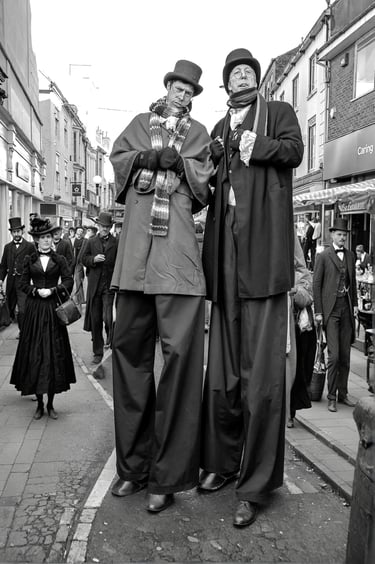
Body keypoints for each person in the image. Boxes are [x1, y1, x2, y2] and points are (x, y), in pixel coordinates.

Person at [199, 48, 304, 528]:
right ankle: (223, 463)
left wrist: (251, 144)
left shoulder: (277, 113)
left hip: (262, 262)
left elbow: (294, 151)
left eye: (248, 70)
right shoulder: (217, 127)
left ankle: (256, 484)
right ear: (225, 85)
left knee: (262, 381)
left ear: (257, 80)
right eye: (234, 71)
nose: (242, 74)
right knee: (223, 376)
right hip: (225, 265)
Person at [109, 59, 213, 513]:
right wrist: (145, 158)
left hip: (178, 264)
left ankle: (167, 478)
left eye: (191, 91)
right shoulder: (136, 124)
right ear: (167, 86)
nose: (184, 95)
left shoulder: (198, 135)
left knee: (180, 372)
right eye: (179, 87)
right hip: (134, 262)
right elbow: (118, 160)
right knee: (130, 365)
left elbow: (204, 183)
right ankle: (133, 469)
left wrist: (182, 166)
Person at [10, 217, 76, 419]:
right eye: (43, 237)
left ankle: (51, 405)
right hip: (35, 310)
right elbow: (21, 283)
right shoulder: (29, 259)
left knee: (54, 353)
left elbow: (68, 280)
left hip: (53, 309)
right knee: (36, 353)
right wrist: (36, 291)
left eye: (49, 237)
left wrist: (54, 290)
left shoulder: (59, 260)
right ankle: (39, 404)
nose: (47, 240)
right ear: (37, 240)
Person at [313, 217, 358, 412]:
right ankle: (331, 396)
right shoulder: (323, 256)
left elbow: (353, 282)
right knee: (334, 356)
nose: (342, 238)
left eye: (344, 235)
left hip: (346, 309)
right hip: (330, 311)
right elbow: (316, 285)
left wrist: (355, 304)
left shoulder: (350, 256)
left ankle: (343, 393)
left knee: (346, 355)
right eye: (339, 234)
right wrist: (318, 312)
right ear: (332, 234)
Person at [286, 236, 315, 429]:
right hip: (278, 327)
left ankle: (289, 413)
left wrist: (294, 291)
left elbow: (307, 297)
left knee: (295, 372)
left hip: (296, 330)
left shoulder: (300, 274)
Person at [81, 212, 118, 364]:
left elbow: (119, 262)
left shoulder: (116, 242)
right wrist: (93, 260)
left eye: (108, 227)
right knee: (96, 320)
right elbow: (82, 259)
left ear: (110, 227)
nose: (105, 229)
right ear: (98, 226)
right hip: (94, 287)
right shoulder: (91, 241)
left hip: (109, 286)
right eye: (103, 226)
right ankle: (97, 351)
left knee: (108, 318)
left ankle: (110, 341)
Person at [0, 217, 36, 331]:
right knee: (9, 308)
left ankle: (24, 332)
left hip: (23, 283)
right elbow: (3, 266)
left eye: (18, 231)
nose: (16, 234)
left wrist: (34, 280)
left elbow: (35, 264)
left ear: (22, 232)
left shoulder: (29, 246)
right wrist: (0, 279)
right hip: (11, 283)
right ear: (11, 233)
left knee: (22, 309)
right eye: (14, 232)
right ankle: (8, 322)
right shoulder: (7, 247)